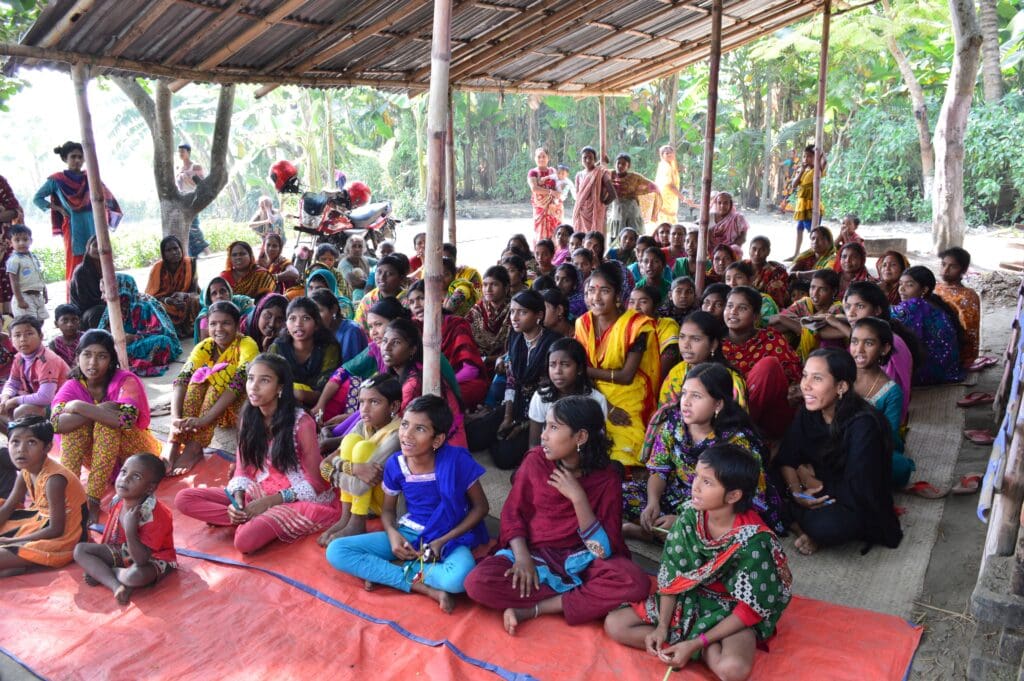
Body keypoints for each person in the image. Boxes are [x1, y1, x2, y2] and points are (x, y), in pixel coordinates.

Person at [605, 444, 792, 680]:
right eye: (697, 477)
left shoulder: (754, 542)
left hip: (729, 608)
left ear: (734, 496)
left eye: (707, 482)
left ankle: (695, 647)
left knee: (732, 671)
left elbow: (750, 608)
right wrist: (662, 626)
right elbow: (672, 575)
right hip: (689, 596)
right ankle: (696, 648)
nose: (695, 486)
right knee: (615, 625)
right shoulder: (690, 516)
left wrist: (695, 643)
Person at [465, 396, 650, 634]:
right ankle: (582, 598)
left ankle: (538, 608)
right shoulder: (535, 462)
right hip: (536, 555)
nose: (543, 435)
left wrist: (578, 498)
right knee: (476, 583)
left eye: (553, 428)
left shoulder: (606, 477)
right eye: (545, 426)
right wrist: (522, 559)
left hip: (583, 560)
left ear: (580, 437)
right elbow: (513, 514)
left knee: (635, 581)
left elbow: (602, 550)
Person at [326, 394, 489, 613]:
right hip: (409, 534)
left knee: (458, 580)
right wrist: (393, 535)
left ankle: (392, 570)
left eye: (419, 429)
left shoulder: (457, 460)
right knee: (337, 550)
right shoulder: (396, 464)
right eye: (404, 425)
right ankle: (424, 588)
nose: (406, 435)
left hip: (449, 537)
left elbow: (481, 507)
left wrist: (441, 542)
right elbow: (388, 510)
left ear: (437, 440)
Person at [175, 354, 342, 553]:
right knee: (184, 499)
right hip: (260, 489)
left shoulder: (302, 422)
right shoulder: (249, 417)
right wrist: (237, 501)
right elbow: (242, 470)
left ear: (280, 388)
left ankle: (249, 521)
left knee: (244, 541)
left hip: (298, 497)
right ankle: (243, 518)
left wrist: (269, 502)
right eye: (251, 378)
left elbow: (316, 482)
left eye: (264, 380)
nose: (253, 386)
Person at [627, 363, 779, 537]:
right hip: (674, 493)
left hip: (716, 505)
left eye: (697, 396)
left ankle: (656, 533)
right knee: (621, 494)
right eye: (684, 393)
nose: (686, 402)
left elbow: (742, 499)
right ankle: (663, 532)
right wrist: (653, 503)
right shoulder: (674, 423)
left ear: (718, 404)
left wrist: (683, 520)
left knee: (727, 532)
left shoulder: (737, 443)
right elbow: (659, 469)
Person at [778, 348, 902, 555]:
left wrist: (814, 485)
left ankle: (802, 524)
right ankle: (800, 520)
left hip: (849, 497)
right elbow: (787, 456)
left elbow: (860, 485)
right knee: (759, 483)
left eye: (817, 379)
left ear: (841, 386)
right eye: (805, 375)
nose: (805, 386)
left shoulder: (863, 424)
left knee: (829, 526)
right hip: (813, 487)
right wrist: (796, 490)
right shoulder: (809, 411)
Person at [51, 330, 163, 522]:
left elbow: (126, 420)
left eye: (101, 356)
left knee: (106, 425)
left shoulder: (125, 380)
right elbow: (56, 424)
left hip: (137, 455)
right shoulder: (72, 386)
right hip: (101, 460)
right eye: (87, 355)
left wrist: (79, 408)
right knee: (75, 429)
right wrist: (95, 409)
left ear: (111, 360)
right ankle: (72, 495)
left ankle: (93, 499)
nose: (92, 363)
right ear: (78, 358)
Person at [576, 262, 660, 468]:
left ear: (617, 295)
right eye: (591, 291)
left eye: (604, 290)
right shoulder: (583, 324)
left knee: (624, 451)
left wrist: (584, 371)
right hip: (591, 390)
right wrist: (608, 407)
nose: (596, 298)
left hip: (628, 392)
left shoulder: (636, 326)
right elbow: (578, 374)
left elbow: (626, 376)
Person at [166, 301, 258, 475]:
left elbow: (239, 383)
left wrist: (204, 420)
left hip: (238, 408)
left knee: (226, 371)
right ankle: (176, 440)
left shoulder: (247, 344)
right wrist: (175, 419)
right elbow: (183, 377)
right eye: (213, 324)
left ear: (238, 326)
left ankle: (195, 446)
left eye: (226, 323)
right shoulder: (206, 345)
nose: (219, 329)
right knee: (197, 376)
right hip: (213, 412)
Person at [73, 454, 176, 604]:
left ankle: (109, 573)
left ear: (150, 488)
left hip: (152, 558)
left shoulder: (156, 516)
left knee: (136, 576)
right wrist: (105, 552)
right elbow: (110, 536)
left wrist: (130, 529)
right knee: (80, 550)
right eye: (123, 472)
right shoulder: (117, 500)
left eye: (136, 477)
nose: (125, 479)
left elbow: (141, 560)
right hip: (123, 550)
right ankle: (116, 586)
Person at [317, 374, 403, 544]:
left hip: (390, 504)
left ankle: (357, 521)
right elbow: (324, 465)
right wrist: (353, 468)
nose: (365, 409)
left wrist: (334, 470)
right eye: (362, 401)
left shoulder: (397, 434)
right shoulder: (363, 425)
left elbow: (358, 487)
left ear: (394, 405)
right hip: (366, 498)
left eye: (374, 402)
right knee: (351, 441)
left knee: (362, 448)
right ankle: (346, 517)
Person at [819, 281, 918, 425]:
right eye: (847, 307)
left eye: (860, 306)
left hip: (879, 417)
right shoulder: (870, 333)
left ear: (877, 310)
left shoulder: (893, 344)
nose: (851, 313)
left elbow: (890, 397)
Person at [0, 417, 88, 576]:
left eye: (31, 442)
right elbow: (9, 505)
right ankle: (13, 565)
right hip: (38, 520)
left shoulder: (54, 480)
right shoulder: (26, 470)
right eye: (15, 442)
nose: (21, 449)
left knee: (5, 547)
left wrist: (12, 541)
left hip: (64, 536)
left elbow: (56, 529)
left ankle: (15, 560)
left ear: (47, 447)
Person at [33, 141, 122, 289]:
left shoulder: (91, 177)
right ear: (65, 159)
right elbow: (37, 198)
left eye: (80, 157)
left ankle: (104, 298)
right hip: (73, 227)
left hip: (94, 225)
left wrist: (106, 213)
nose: (77, 160)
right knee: (76, 264)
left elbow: (107, 197)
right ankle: (75, 301)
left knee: (99, 261)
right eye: (73, 157)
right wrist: (58, 209)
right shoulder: (57, 180)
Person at [721, 287, 802, 440]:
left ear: (756, 317)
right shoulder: (715, 343)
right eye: (730, 306)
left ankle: (739, 435)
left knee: (768, 366)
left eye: (742, 308)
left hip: (769, 417)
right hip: (726, 413)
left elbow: (794, 382)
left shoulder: (771, 339)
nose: (733, 311)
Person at [492, 290, 561, 468]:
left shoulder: (553, 344)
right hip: (517, 404)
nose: (514, 317)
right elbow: (511, 380)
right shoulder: (515, 337)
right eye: (512, 311)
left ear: (539, 315)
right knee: (477, 434)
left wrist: (522, 425)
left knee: (504, 458)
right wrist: (508, 417)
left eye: (522, 312)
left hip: (542, 412)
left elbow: (552, 393)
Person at [850, 318, 914, 487]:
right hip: (835, 440)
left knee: (900, 468)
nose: (859, 350)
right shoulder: (841, 375)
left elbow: (887, 435)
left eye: (869, 343)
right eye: (854, 342)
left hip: (869, 446)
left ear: (884, 348)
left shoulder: (891, 391)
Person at [405, 280, 487, 409]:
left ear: (437, 299)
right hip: (425, 383)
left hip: (459, 381)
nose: (416, 305)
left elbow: (471, 370)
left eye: (421, 298)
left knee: (441, 401)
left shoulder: (456, 324)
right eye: (411, 302)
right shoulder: (413, 327)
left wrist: (441, 385)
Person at [659, 311, 747, 410]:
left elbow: (737, 421)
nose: (686, 345)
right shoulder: (676, 373)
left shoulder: (731, 380)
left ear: (713, 344)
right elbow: (664, 417)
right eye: (682, 337)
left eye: (695, 339)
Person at [527, 338, 608, 446]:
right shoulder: (542, 396)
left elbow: (597, 443)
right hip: (548, 457)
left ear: (579, 369)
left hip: (584, 459)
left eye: (565, 365)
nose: (557, 371)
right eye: (552, 365)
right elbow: (534, 444)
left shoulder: (596, 400)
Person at [99, 273, 182, 377]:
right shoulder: (111, 307)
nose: (102, 297)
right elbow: (101, 332)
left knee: (163, 342)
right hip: (124, 345)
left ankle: (118, 358)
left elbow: (161, 332)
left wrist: (133, 337)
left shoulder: (145, 304)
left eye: (104, 292)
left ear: (119, 290)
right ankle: (119, 357)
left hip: (143, 342)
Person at [892, 265, 964, 385]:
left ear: (924, 290)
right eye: (901, 284)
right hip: (947, 368)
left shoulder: (915, 304)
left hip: (930, 370)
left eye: (909, 285)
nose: (901, 289)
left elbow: (885, 317)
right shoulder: (931, 303)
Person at [1, 315, 70, 432]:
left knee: (22, 411)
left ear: (41, 336)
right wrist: (5, 397)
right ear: (12, 341)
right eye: (17, 335)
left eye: (29, 334)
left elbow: (45, 397)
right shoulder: (19, 357)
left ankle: (30, 439)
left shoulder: (47, 359)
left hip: (62, 404)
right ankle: (15, 437)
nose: (23, 339)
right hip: (41, 400)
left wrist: (14, 400)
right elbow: (13, 382)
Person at [268, 297, 341, 408]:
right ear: (286, 325)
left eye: (306, 318)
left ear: (316, 324)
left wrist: (301, 394)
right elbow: (271, 384)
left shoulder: (328, 348)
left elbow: (325, 388)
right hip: (283, 405)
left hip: (322, 405)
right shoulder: (278, 348)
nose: (298, 324)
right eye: (292, 318)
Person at [770, 269, 840, 360]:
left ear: (834, 292)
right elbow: (773, 323)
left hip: (827, 357)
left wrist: (782, 318)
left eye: (822, 289)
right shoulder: (805, 303)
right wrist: (794, 324)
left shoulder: (837, 309)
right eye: (813, 287)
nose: (815, 293)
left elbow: (813, 331)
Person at [145, 235, 200, 338]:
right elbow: (151, 296)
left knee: (196, 300)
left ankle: (191, 329)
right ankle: (172, 329)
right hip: (165, 301)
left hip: (185, 299)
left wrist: (183, 295)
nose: (174, 252)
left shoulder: (190, 263)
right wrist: (169, 300)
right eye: (168, 250)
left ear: (181, 249)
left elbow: (194, 290)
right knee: (154, 305)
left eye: (176, 248)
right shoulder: (158, 268)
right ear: (164, 254)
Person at [935, 246, 981, 369]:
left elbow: (969, 332)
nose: (945, 270)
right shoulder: (934, 289)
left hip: (955, 349)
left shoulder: (968, 296)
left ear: (963, 270)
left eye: (953, 267)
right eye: (943, 264)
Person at [467, 265, 511, 377]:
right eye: (485, 285)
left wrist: (489, 359)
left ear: (506, 288)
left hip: (504, 365)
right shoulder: (476, 311)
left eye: (494, 284)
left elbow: (516, 347)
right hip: (477, 363)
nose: (488, 289)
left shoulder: (514, 311)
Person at [629, 285, 680, 378]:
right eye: (631, 302)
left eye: (643, 302)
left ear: (656, 306)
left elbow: (669, 358)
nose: (636, 307)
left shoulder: (666, 325)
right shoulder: (625, 326)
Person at [787, 144, 826, 261]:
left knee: (813, 232)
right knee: (799, 228)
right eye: (805, 156)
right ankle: (796, 253)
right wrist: (802, 170)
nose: (806, 159)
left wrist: (821, 154)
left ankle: (817, 254)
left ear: (815, 157)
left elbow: (824, 163)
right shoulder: (803, 170)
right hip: (802, 206)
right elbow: (794, 185)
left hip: (811, 206)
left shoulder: (817, 170)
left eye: (809, 156)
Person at [608, 153, 659, 240]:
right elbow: (598, 172)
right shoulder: (609, 174)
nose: (620, 166)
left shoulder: (635, 177)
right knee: (615, 238)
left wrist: (639, 192)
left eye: (623, 164)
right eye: (618, 163)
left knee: (633, 236)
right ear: (615, 164)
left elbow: (653, 186)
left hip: (631, 210)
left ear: (628, 166)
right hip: (616, 210)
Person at [310, 289, 368, 364]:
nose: (315, 316)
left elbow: (353, 368)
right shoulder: (317, 331)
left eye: (319, 311)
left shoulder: (352, 331)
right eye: (312, 312)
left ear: (334, 309)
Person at [194, 276, 254, 343]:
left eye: (222, 291)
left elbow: (253, 318)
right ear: (209, 298)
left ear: (229, 292)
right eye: (214, 293)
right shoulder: (205, 315)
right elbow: (204, 345)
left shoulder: (241, 302)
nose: (219, 296)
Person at [6, 225, 48, 320]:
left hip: (37, 295)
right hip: (24, 296)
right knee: (28, 322)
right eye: (17, 240)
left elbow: (38, 274)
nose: (21, 243)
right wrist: (20, 300)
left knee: (40, 321)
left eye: (25, 239)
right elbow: (14, 281)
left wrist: (44, 290)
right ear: (10, 243)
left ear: (31, 241)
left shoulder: (33, 257)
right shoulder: (14, 260)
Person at [175, 143, 209, 257]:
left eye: (183, 151)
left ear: (188, 153)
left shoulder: (195, 166)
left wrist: (191, 176)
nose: (180, 154)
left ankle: (206, 251)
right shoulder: (178, 168)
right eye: (179, 152)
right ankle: (193, 253)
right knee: (186, 226)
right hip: (182, 201)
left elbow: (202, 183)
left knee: (193, 225)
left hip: (193, 199)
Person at [354, 254, 408, 326]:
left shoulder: (409, 300)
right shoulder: (368, 300)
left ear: (401, 278)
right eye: (379, 272)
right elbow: (360, 329)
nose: (382, 277)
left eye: (389, 274)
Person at [573, 146, 615, 235]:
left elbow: (613, 194)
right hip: (581, 212)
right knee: (580, 237)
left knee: (594, 238)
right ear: (581, 159)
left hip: (595, 212)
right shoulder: (579, 175)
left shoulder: (601, 173)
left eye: (590, 158)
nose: (587, 160)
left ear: (595, 159)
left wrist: (602, 204)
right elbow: (578, 196)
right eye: (585, 158)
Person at [725, 261, 779, 326]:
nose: (732, 283)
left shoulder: (764, 301)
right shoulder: (725, 300)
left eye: (738, 277)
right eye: (728, 279)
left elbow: (765, 327)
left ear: (751, 279)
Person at [528, 147, 563, 243]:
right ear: (535, 158)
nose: (541, 159)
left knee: (556, 232)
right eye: (539, 157)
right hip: (541, 208)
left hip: (554, 207)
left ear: (548, 158)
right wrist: (551, 192)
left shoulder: (552, 171)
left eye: (544, 156)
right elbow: (534, 188)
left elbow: (559, 185)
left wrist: (558, 194)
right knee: (540, 234)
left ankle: (556, 254)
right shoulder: (533, 172)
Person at [70, 236, 106, 329]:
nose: (99, 248)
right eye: (95, 245)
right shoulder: (81, 271)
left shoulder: (107, 268)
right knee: (99, 311)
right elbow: (86, 302)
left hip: (103, 305)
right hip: (84, 314)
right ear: (88, 248)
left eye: (102, 244)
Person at [0, 173, 23, 315]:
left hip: (4, 245)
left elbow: (15, 211)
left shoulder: (1, 181)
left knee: (8, 283)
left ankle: (8, 330)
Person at [747, 235, 789, 308]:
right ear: (749, 249)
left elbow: (779, 298)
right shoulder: (741, 267)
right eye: (754, 249)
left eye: (762, 250)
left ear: (768, 252)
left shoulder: (776, 272)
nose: (757, 253)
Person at [708, 191, 748, 260]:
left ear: (731, 204)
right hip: (711, 252)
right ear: (716, 204)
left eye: (725, 203)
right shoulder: (709, 216)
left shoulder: (738, 218)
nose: (722, 206)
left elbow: (742, 238)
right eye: (719, 203)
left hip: (731, 252)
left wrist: (726, 250)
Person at [339, 234, 377, 302]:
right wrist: (371, 282)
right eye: (354, 246)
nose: (357, 249)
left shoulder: (363, 259)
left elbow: (379, 263)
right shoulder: (344, 265)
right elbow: (355, 283)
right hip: (348, 299)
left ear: (363, 249)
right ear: (348, 248)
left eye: (360, 246)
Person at [48, 303, 83, 368]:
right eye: (65, 320)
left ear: (79, 322)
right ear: (56, 324)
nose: (70, 324)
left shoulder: (85, 339)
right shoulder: (54, 344)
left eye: (74, 320)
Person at [654, 145, 681, 224]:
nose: (670, 155)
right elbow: (670, 186)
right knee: (665, 223)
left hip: (670, 200)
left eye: (671, 152)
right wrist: (683, 198)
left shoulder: (671, 166)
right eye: (667, 153)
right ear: (662, 155)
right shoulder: (665, 167)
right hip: (665, 201)